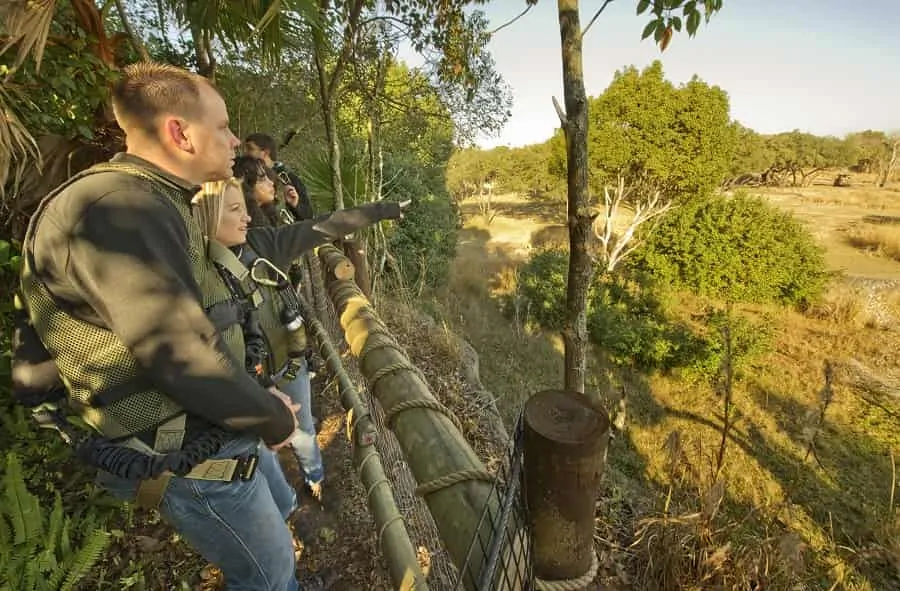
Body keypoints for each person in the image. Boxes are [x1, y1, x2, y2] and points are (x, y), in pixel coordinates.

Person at [15, 61, 322, 591]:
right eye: (223, 127)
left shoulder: (156, 199)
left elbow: (202, 314)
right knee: (266, 575)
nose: (235, 142)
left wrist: (255, 388)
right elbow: (176, 351)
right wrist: (271, 416)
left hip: (209, 427)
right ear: (179, 132)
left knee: (272, 562)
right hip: (186, 446)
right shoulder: (120, 207)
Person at [192, 177, 408, 503]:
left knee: (302, 430)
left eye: (244, 208)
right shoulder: (193, 274)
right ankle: (282, 501)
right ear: (206, 216)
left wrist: (384, 209)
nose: (247, 217)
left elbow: (324, 226)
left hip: (290, 366)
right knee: (256, 446)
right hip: (244, 384)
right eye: (235, 209)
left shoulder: (262, 244)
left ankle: (314, 475)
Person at [244, 132, 315, 221]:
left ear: (265, 153)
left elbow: (308, 215)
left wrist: (296, 205)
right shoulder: (246, 176)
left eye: (250, 149)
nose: (245, 153)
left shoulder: (289, 178)